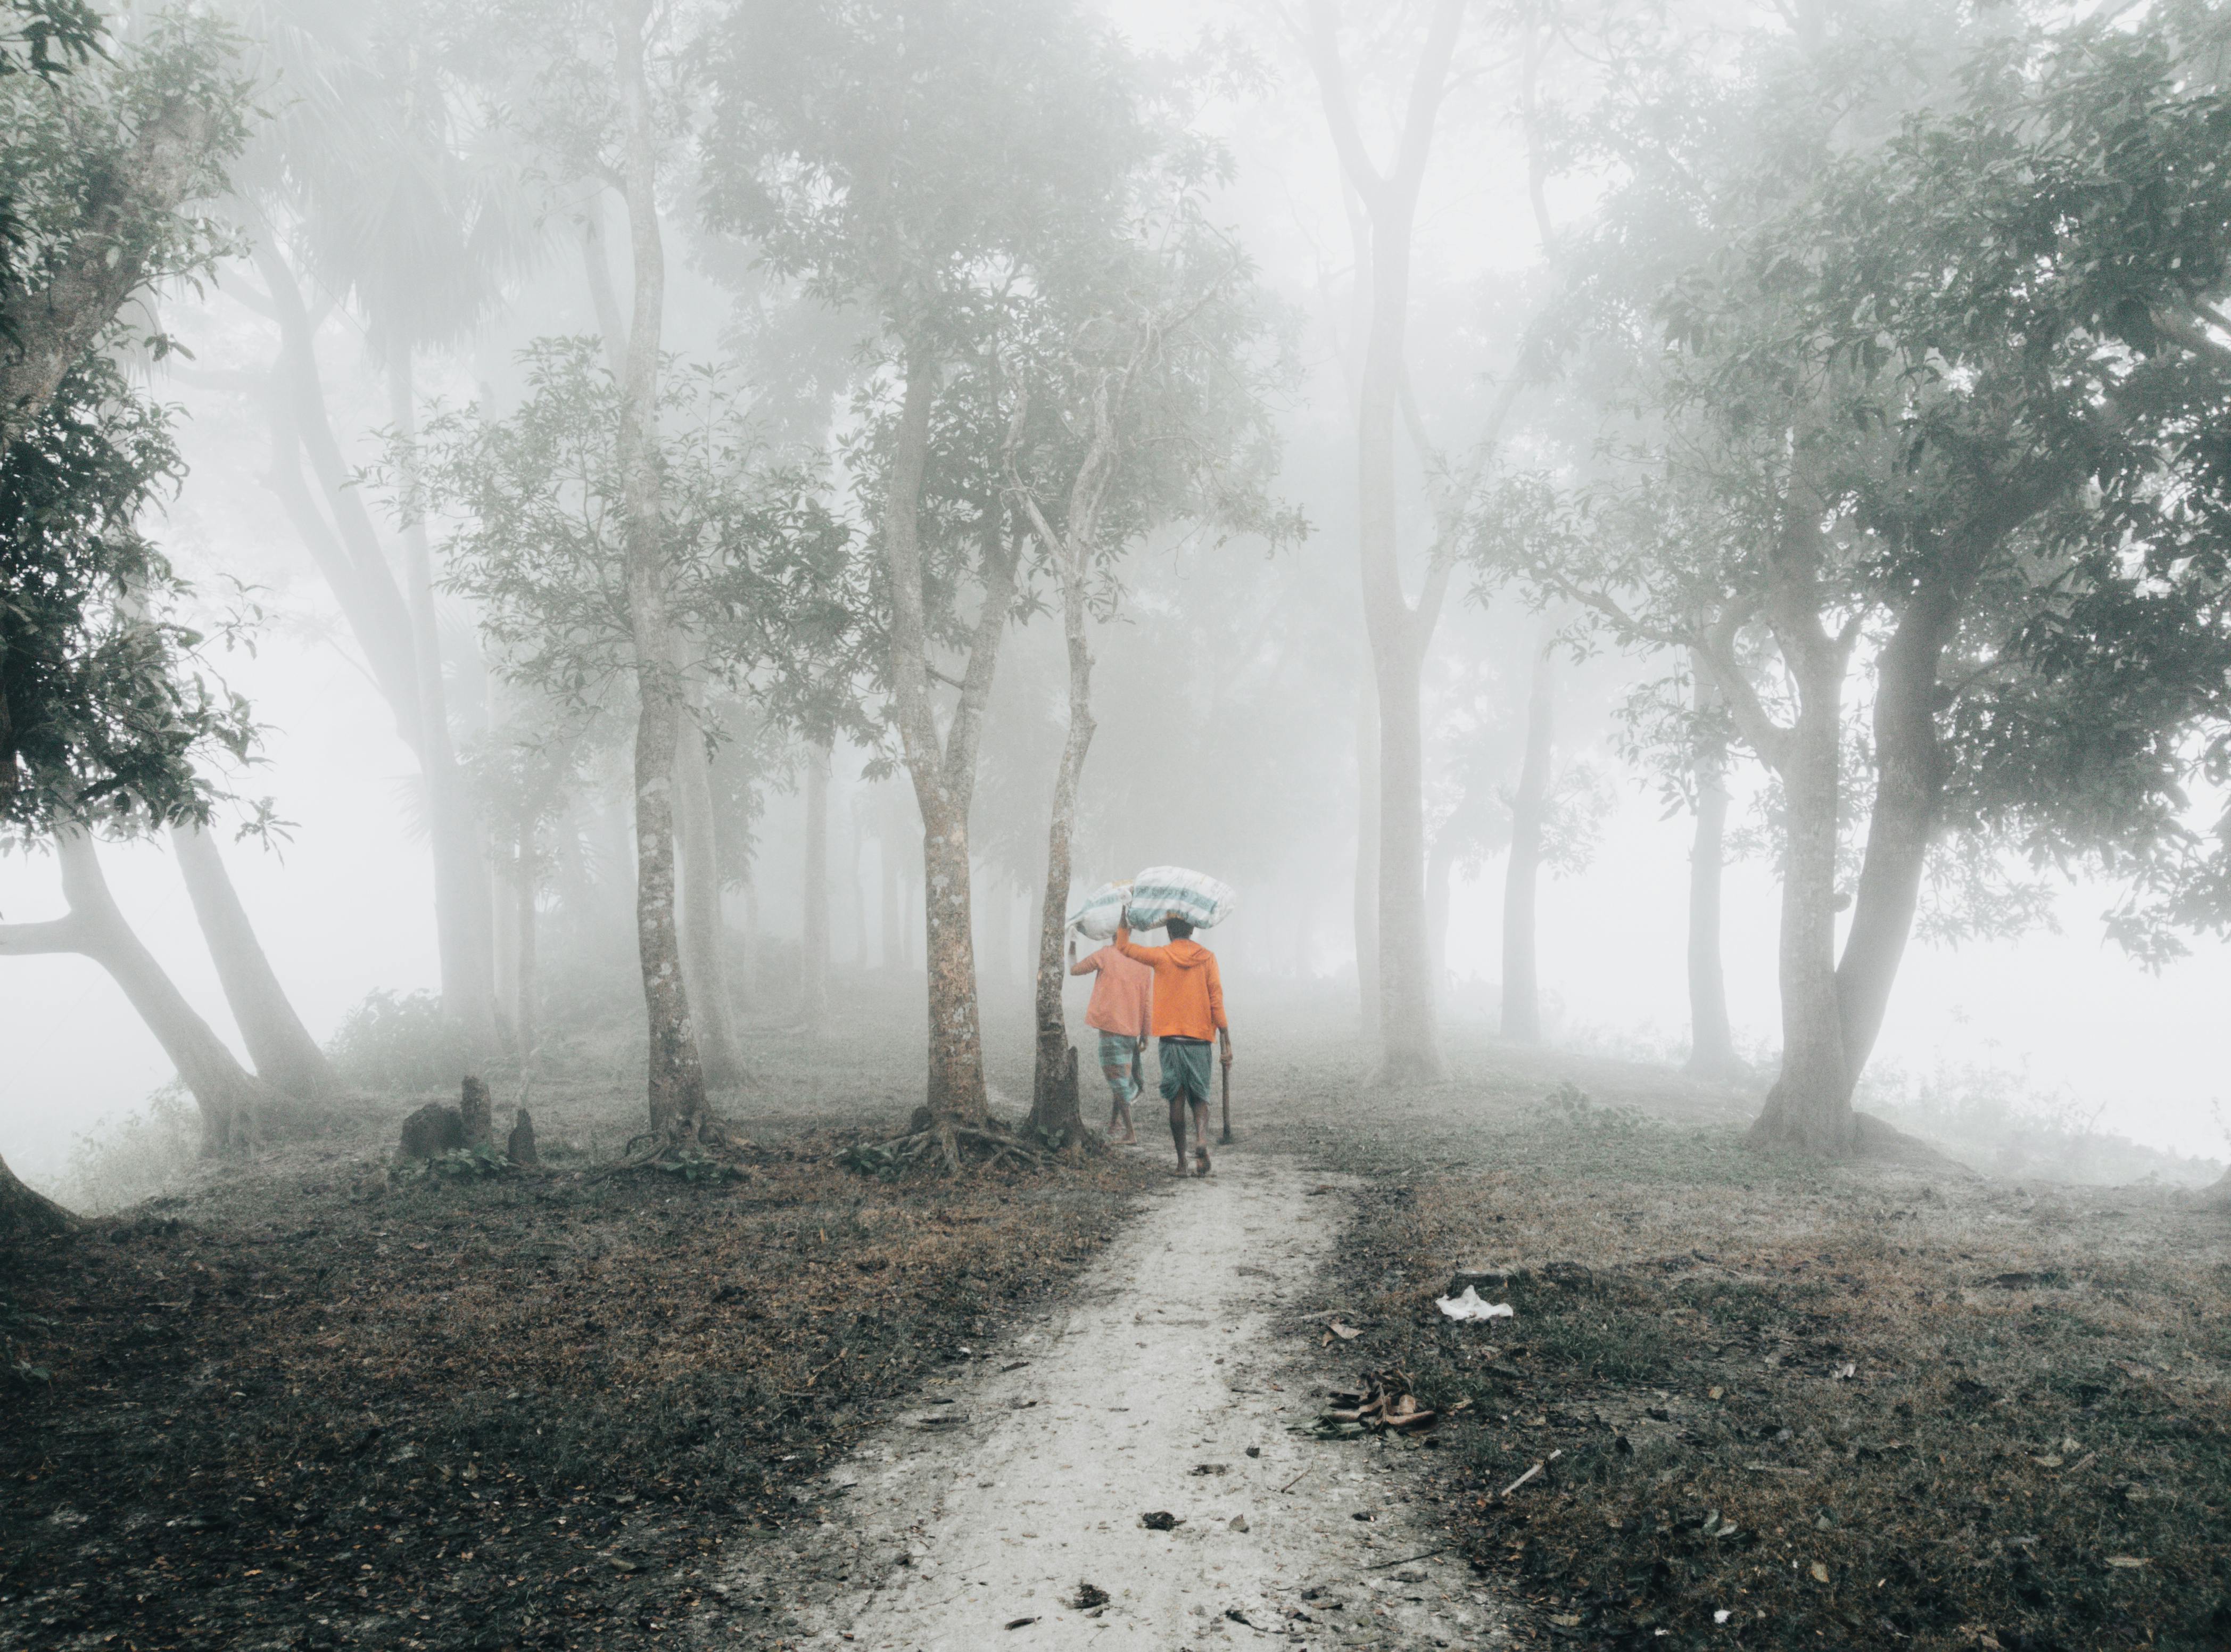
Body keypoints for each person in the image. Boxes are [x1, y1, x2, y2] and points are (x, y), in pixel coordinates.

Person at [1114, 913, 1231, 1177]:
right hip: (1200, 1039)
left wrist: (1125, 917)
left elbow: (1123, 947)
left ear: (1169, 932)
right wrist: (1225, 1037)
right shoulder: (1207, 957)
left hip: (1170, 1039)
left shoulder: (1161, 956)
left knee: (1175, 1100)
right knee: (1200, 1097)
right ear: (1192, 930)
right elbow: (1217, 998)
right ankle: (1201, 1140)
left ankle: (1181, 1163)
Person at [1067, 929, 1153, 1143]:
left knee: (1118, 1080)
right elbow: (1148, 1002)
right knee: (1121, 1076)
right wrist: (1145, 1033)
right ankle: (1114, 1123)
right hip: (1131, 1030)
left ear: (1112, 935)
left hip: (1110, 1028)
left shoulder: (1106, 954)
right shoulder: (1142, 962)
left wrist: (1072, 943)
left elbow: (1075, 969)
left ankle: (1130, 1133)